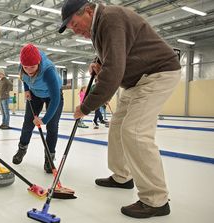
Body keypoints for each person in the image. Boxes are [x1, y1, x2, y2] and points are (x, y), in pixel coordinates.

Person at [59, 0, 181, 218]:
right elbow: (114, 55)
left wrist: (85, 107)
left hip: (157, 74)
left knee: (134, 131)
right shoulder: (99, 27)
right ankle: (122, 177)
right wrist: (98, 63)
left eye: (76, 25)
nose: (76, 32)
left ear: (88, 10)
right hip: (135, 81)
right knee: (117, 127)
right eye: (72, 29)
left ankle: (156, 199)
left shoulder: (110, 19)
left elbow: (114, 71)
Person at [12, 44, 63, 174]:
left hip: (53, 96)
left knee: (52, 126)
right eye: (26, 67)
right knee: (28, 123)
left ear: (39, 62)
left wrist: (44, 120)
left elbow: (56, 99)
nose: (29, 70)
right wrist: (27, 90)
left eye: (33, 67)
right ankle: (22, 149)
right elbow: (24, 77)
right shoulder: (22, 67)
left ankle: (49, 159)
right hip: (35, 94)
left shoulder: (48, 71)